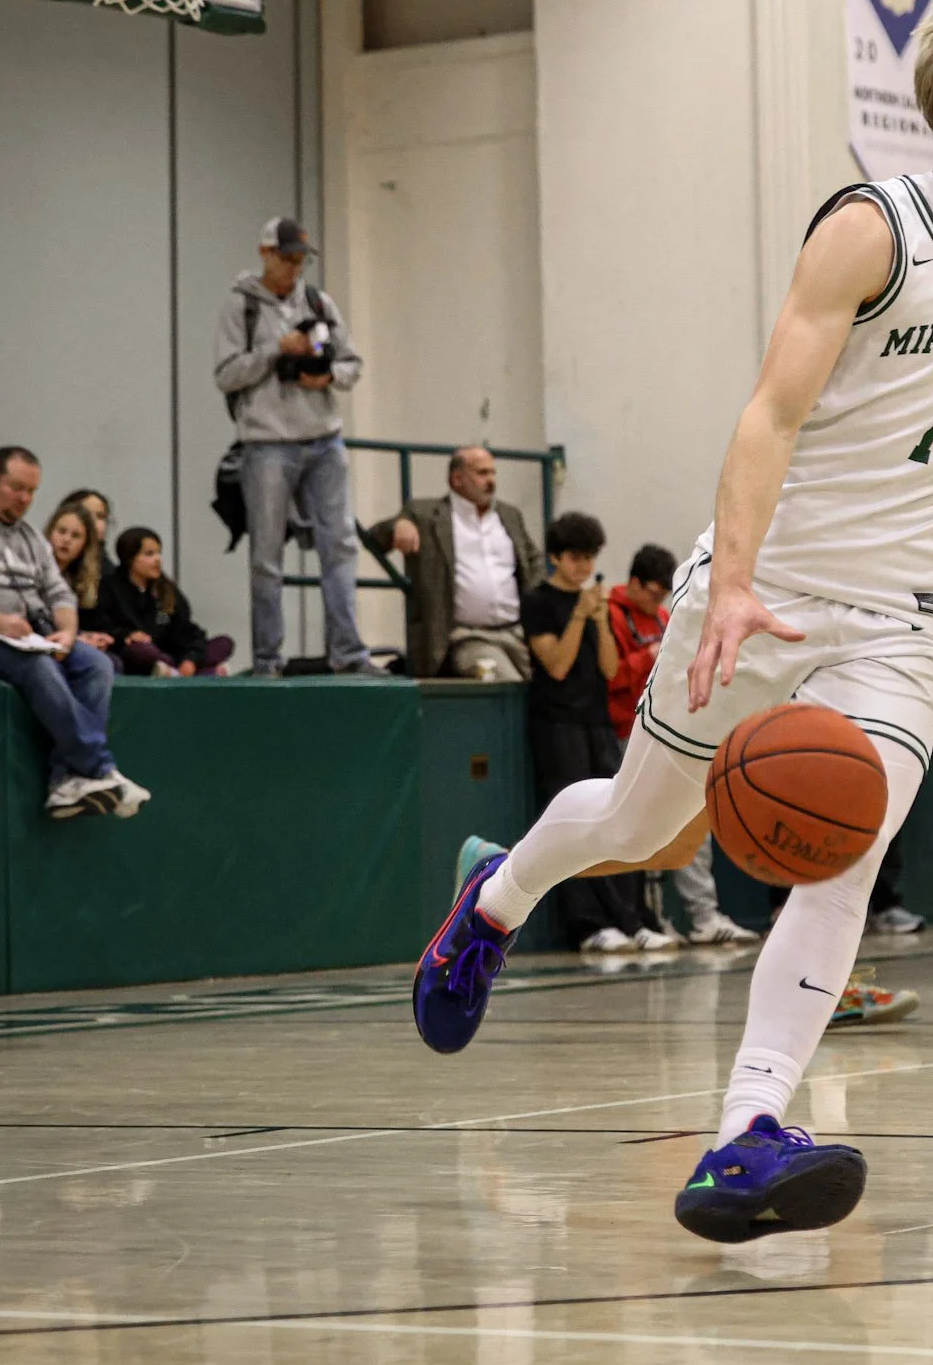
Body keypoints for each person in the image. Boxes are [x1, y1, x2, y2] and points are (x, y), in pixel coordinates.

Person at [411, 0, 933, 1245]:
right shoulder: (869, 229)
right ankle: (494, 898)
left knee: (847, 852)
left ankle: (745, 1131)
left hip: (898, 617)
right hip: (772, 585)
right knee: (642, 824)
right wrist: (731, 582)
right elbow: (770, 413)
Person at [213, 215, 377, 676]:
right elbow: (226, 374)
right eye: (286, 258)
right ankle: (268, 659)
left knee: (340, 545)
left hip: (325, 438)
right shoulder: (240, 306)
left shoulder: (319, 301)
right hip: (267, 443)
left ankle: (348, 652)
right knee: (267, 555)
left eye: (301, 259)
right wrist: (276, 352)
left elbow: (353, 363)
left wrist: (327, 375)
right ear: (265, 254)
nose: (294, 267)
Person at [521, 512, 675, 955]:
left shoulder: (595, 605)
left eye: (589, 558)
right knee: (571, 822)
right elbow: (557, 665)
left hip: (597, 721)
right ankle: (588, 924)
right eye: (575, 558)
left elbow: (609, 668)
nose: (583, 567)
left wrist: (601, 620)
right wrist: (578, 617)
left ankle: (631, 918)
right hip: (557, 723)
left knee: (618, 813)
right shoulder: (538, 602)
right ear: (555, 557)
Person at [0, 446, 149, 818]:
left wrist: (68, 632)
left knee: (97, 664)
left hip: (33, 633)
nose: (25, 499)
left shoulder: (31, 538)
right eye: (16, 488)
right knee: (38, 667)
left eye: (31, 491)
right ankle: (99, 768)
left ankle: (66, 781)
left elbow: (59, 593)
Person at [608, 545, 753, 946]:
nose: (657, 601)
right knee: (637, 830)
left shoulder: (663, 616)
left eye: (663, 594)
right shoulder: (612, 614)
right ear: (634, 583)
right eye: (652, 593)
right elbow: (611, 674)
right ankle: (648, 920)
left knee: (691, 828)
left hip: (673, 729)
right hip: (628, 731)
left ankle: (703, 916)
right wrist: (647, 657)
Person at [367, 446, 541, 680]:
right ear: (457, 479)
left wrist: (538, 604)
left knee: (552, 681)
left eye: (493, 473)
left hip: (516, 631)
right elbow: (375, 538)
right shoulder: (426, 515)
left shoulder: (509, 515)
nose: (491, 480)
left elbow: (533, 559)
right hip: (466, 635)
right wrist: (399, 525)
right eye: (482, 473)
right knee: (504, 683)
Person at [96, 528, 233, 677]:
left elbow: (188, 632)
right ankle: (202, 673)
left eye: (159, 553)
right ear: (129, 558)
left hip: (174, 655)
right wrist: (127, 634)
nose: (157, 559)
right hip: (141, 657)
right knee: (140, 650)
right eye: (149, 554)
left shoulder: (165, 589)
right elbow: (102, 627)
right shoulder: (109, 587)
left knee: (224, 643)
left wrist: (191, 660)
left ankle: (175, 673)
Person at [43, 500, 111, 654]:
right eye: (61, 531)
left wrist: (91, 636)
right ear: (50, 532)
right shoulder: (34, 568)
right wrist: (78, 638)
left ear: (85, 545)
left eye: (76, 536)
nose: (66, 540)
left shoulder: (79, 578)